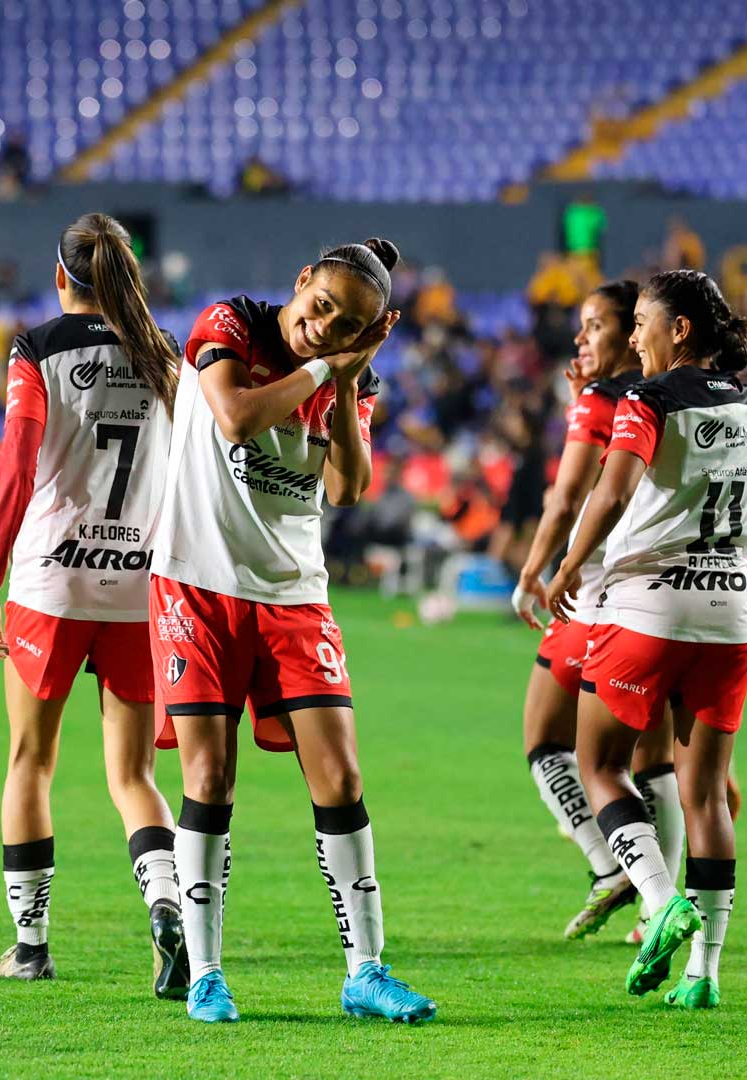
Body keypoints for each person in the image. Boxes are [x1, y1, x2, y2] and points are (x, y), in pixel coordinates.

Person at [151, 237, 438, 1024]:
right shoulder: (231, 325)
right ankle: (207, 974)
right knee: (209, 780)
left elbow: (347, 487)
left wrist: (346, 386)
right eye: (320, 308)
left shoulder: (350, 376)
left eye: (346, 326)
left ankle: (366, 972)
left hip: (293, 595)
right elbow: (237, 418)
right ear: (300, 279)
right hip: (196, 583)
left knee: (341, 779)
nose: (323, 327)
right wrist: (321, 370)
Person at [548, 269, 747, 1009]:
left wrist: (570, 565)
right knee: (706, 795)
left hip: (644, 613)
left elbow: (611, 492)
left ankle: (659, 897)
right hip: (730, 619)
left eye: (645, 320)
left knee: (598, 765)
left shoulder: (646, 399)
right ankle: (704, 976)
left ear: (679, 329)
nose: (637, 333)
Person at [0, 213, 186, 991]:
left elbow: (17, 469)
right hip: (138, 586)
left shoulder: (37, 351)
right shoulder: (168, 356)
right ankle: (167, 911)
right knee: (134, 775)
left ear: (60, 277)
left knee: (31, 760)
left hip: (50, 584)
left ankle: (29, 948)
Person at [510, 281, 687, 942]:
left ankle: (616, 870)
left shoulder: (600, 400)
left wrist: (533, 569)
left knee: (548, 743)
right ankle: (651, 907)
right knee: (653, 756)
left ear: (630, 332)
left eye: (595, 326)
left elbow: (568, 499)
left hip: (590, 598)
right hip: (664, 599)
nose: (581, 339)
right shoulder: (674, 398)